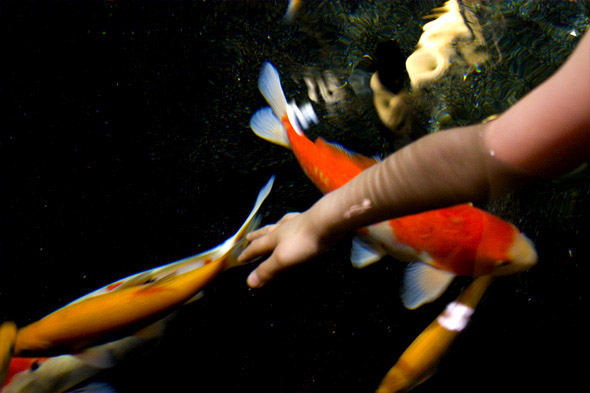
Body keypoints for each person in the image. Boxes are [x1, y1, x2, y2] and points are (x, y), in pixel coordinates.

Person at [238, 30, 590, 289]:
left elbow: (468, 158)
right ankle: (289, 131)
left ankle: (290, 132)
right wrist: (319, 222)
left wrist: (318, 223)